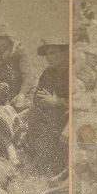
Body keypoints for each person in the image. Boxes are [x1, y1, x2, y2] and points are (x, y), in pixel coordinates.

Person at [20, 37, 70, 176]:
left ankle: (46, 167)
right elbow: (38, 98)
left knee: (50, 127)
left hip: (73, 116)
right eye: (47, 54)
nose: (49, 57)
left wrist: (55, 102)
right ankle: (34, 161)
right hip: (56, 112)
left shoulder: (72, 71)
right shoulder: (49, 72)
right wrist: (48, 102)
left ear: (65, 52)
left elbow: (79, 101)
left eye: (53, 53)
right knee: (34, 118)